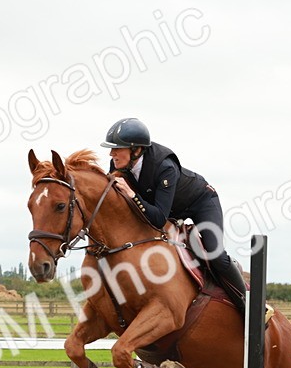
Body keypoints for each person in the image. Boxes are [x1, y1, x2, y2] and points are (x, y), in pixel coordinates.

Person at [101, 117, 247, 316]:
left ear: (135, 150)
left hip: (201, 202)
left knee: (215, 254)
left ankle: (248, 305)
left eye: (117, 148)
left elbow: (159, 217)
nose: (112, 153)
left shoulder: (165, 167)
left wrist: (132, 195)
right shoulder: (118, 164)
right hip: (170, 209)